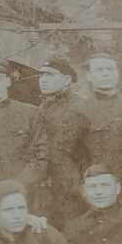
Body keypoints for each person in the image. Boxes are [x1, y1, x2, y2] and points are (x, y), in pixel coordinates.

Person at [0, 58, 47, 204]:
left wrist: (19, 185)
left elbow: (42, 155)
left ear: (8, 82)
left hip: (27, 192)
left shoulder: (30, 113)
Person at [36, 55, 89, 226]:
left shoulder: (79, 107)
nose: (43, 80)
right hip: (45, 183)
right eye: (41, 75)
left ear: (66, 80)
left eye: (50, 75)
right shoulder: (43, 106)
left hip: (71, 185)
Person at [83, 52, 122, 199]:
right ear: (89, 76)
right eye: (99, 70)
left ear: (118, 74)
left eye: (110, 70)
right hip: (95, 188)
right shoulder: (78, 110)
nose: (106, 74)